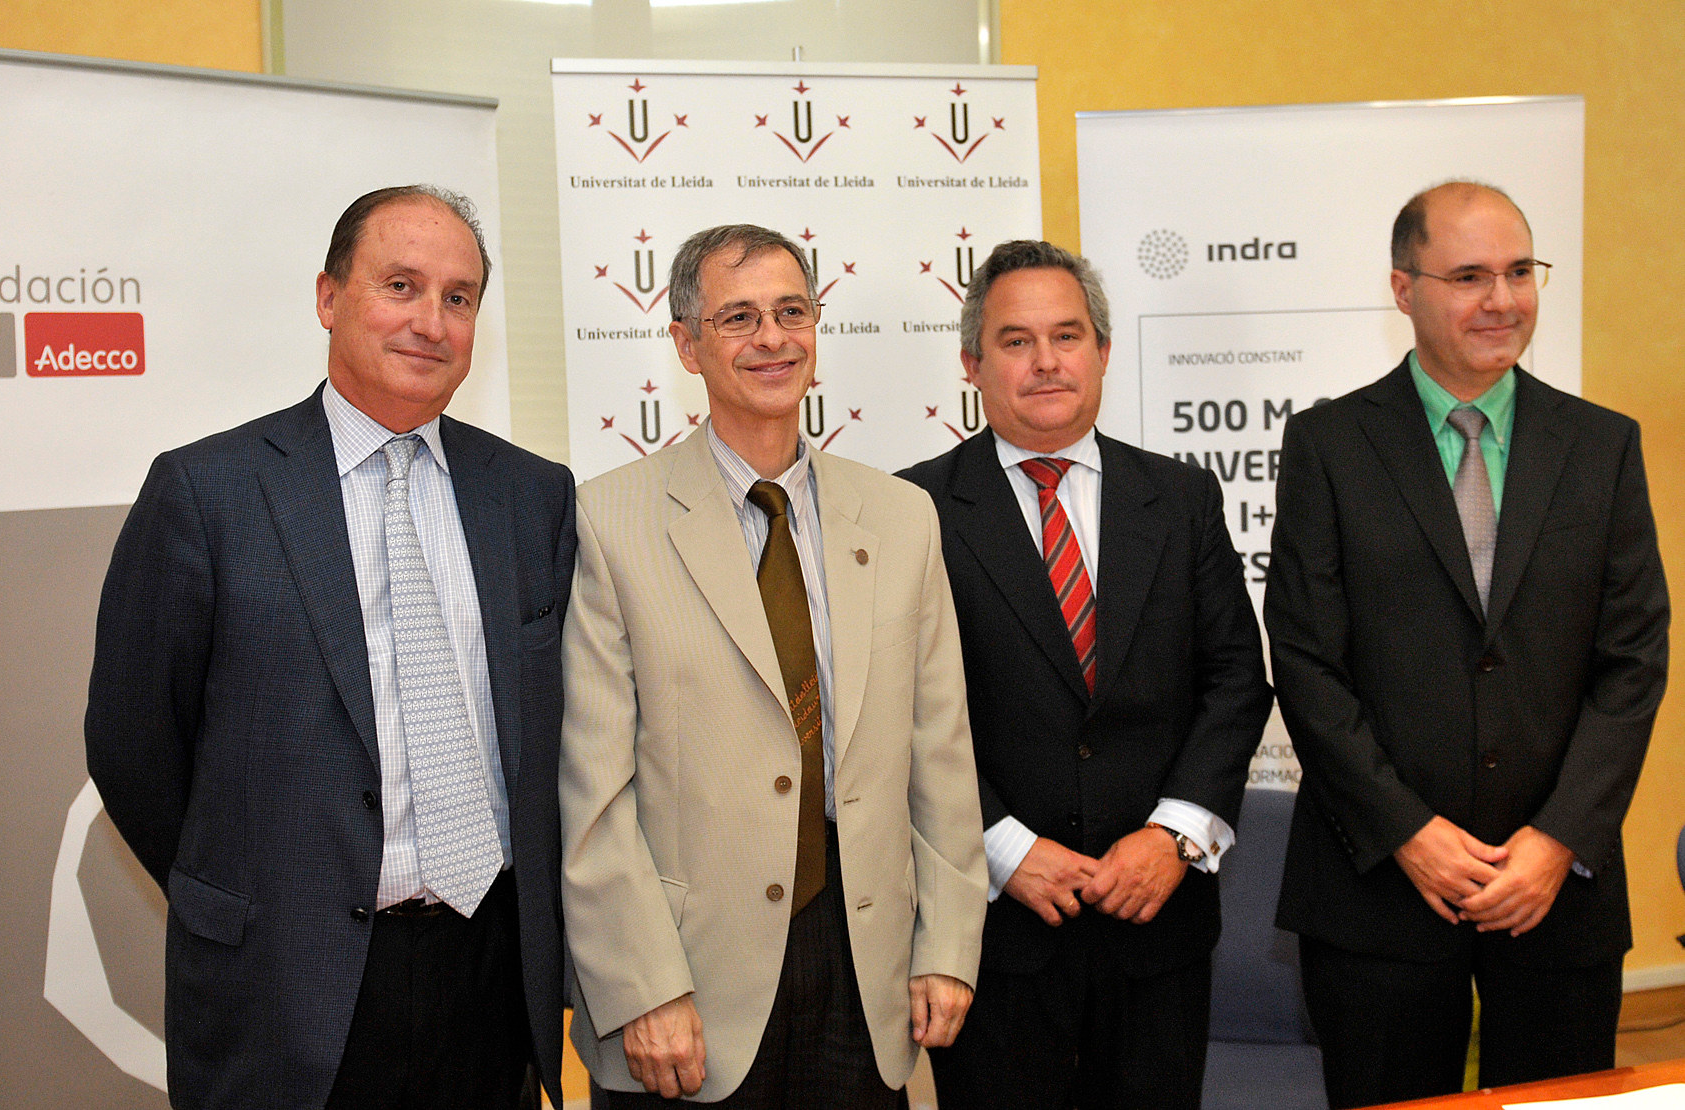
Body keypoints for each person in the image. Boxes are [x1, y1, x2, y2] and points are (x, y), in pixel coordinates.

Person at [85, 185, 574, 1110]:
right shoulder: (207, 493)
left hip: (489, 977)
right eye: (401, 286)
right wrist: (250, 895)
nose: (431, 321)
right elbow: (132, 747)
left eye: (459, 297)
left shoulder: (531, 496)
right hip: (284, 982)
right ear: (328, 297)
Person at [560, 224, 987, 1108]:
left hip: (865, 966)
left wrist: (947, 947)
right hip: (689, 978)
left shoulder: (902, 517)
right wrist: (641, 987)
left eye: (792, 312)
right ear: (687, 344)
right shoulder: (609, 521)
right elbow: (592, 791)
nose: (772, 338)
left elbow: (939, 750)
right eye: (739, 317)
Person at [1265, 181, 1669, 1108]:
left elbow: (1633, 661)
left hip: (1556, 894)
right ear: (1403, 289)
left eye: (1520, 272)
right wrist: (1407, 832)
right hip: (1378, 892)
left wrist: (1558, 840)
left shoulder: (1602, 446)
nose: (1502, 299)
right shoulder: (1329, 445)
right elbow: (1308, 662)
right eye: (1470, 276)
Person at [899, 240, 1271, 1109]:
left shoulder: (1181, 499)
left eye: (1067, 336)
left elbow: (1235, 681)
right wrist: (1003, 848)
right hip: (993, 931)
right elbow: (895, 713)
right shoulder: (912, 509)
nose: (1046, 361)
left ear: (1102, 351)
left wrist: (1174, 836)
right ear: (972, 364)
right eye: (1016, 341)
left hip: (1158, 926)